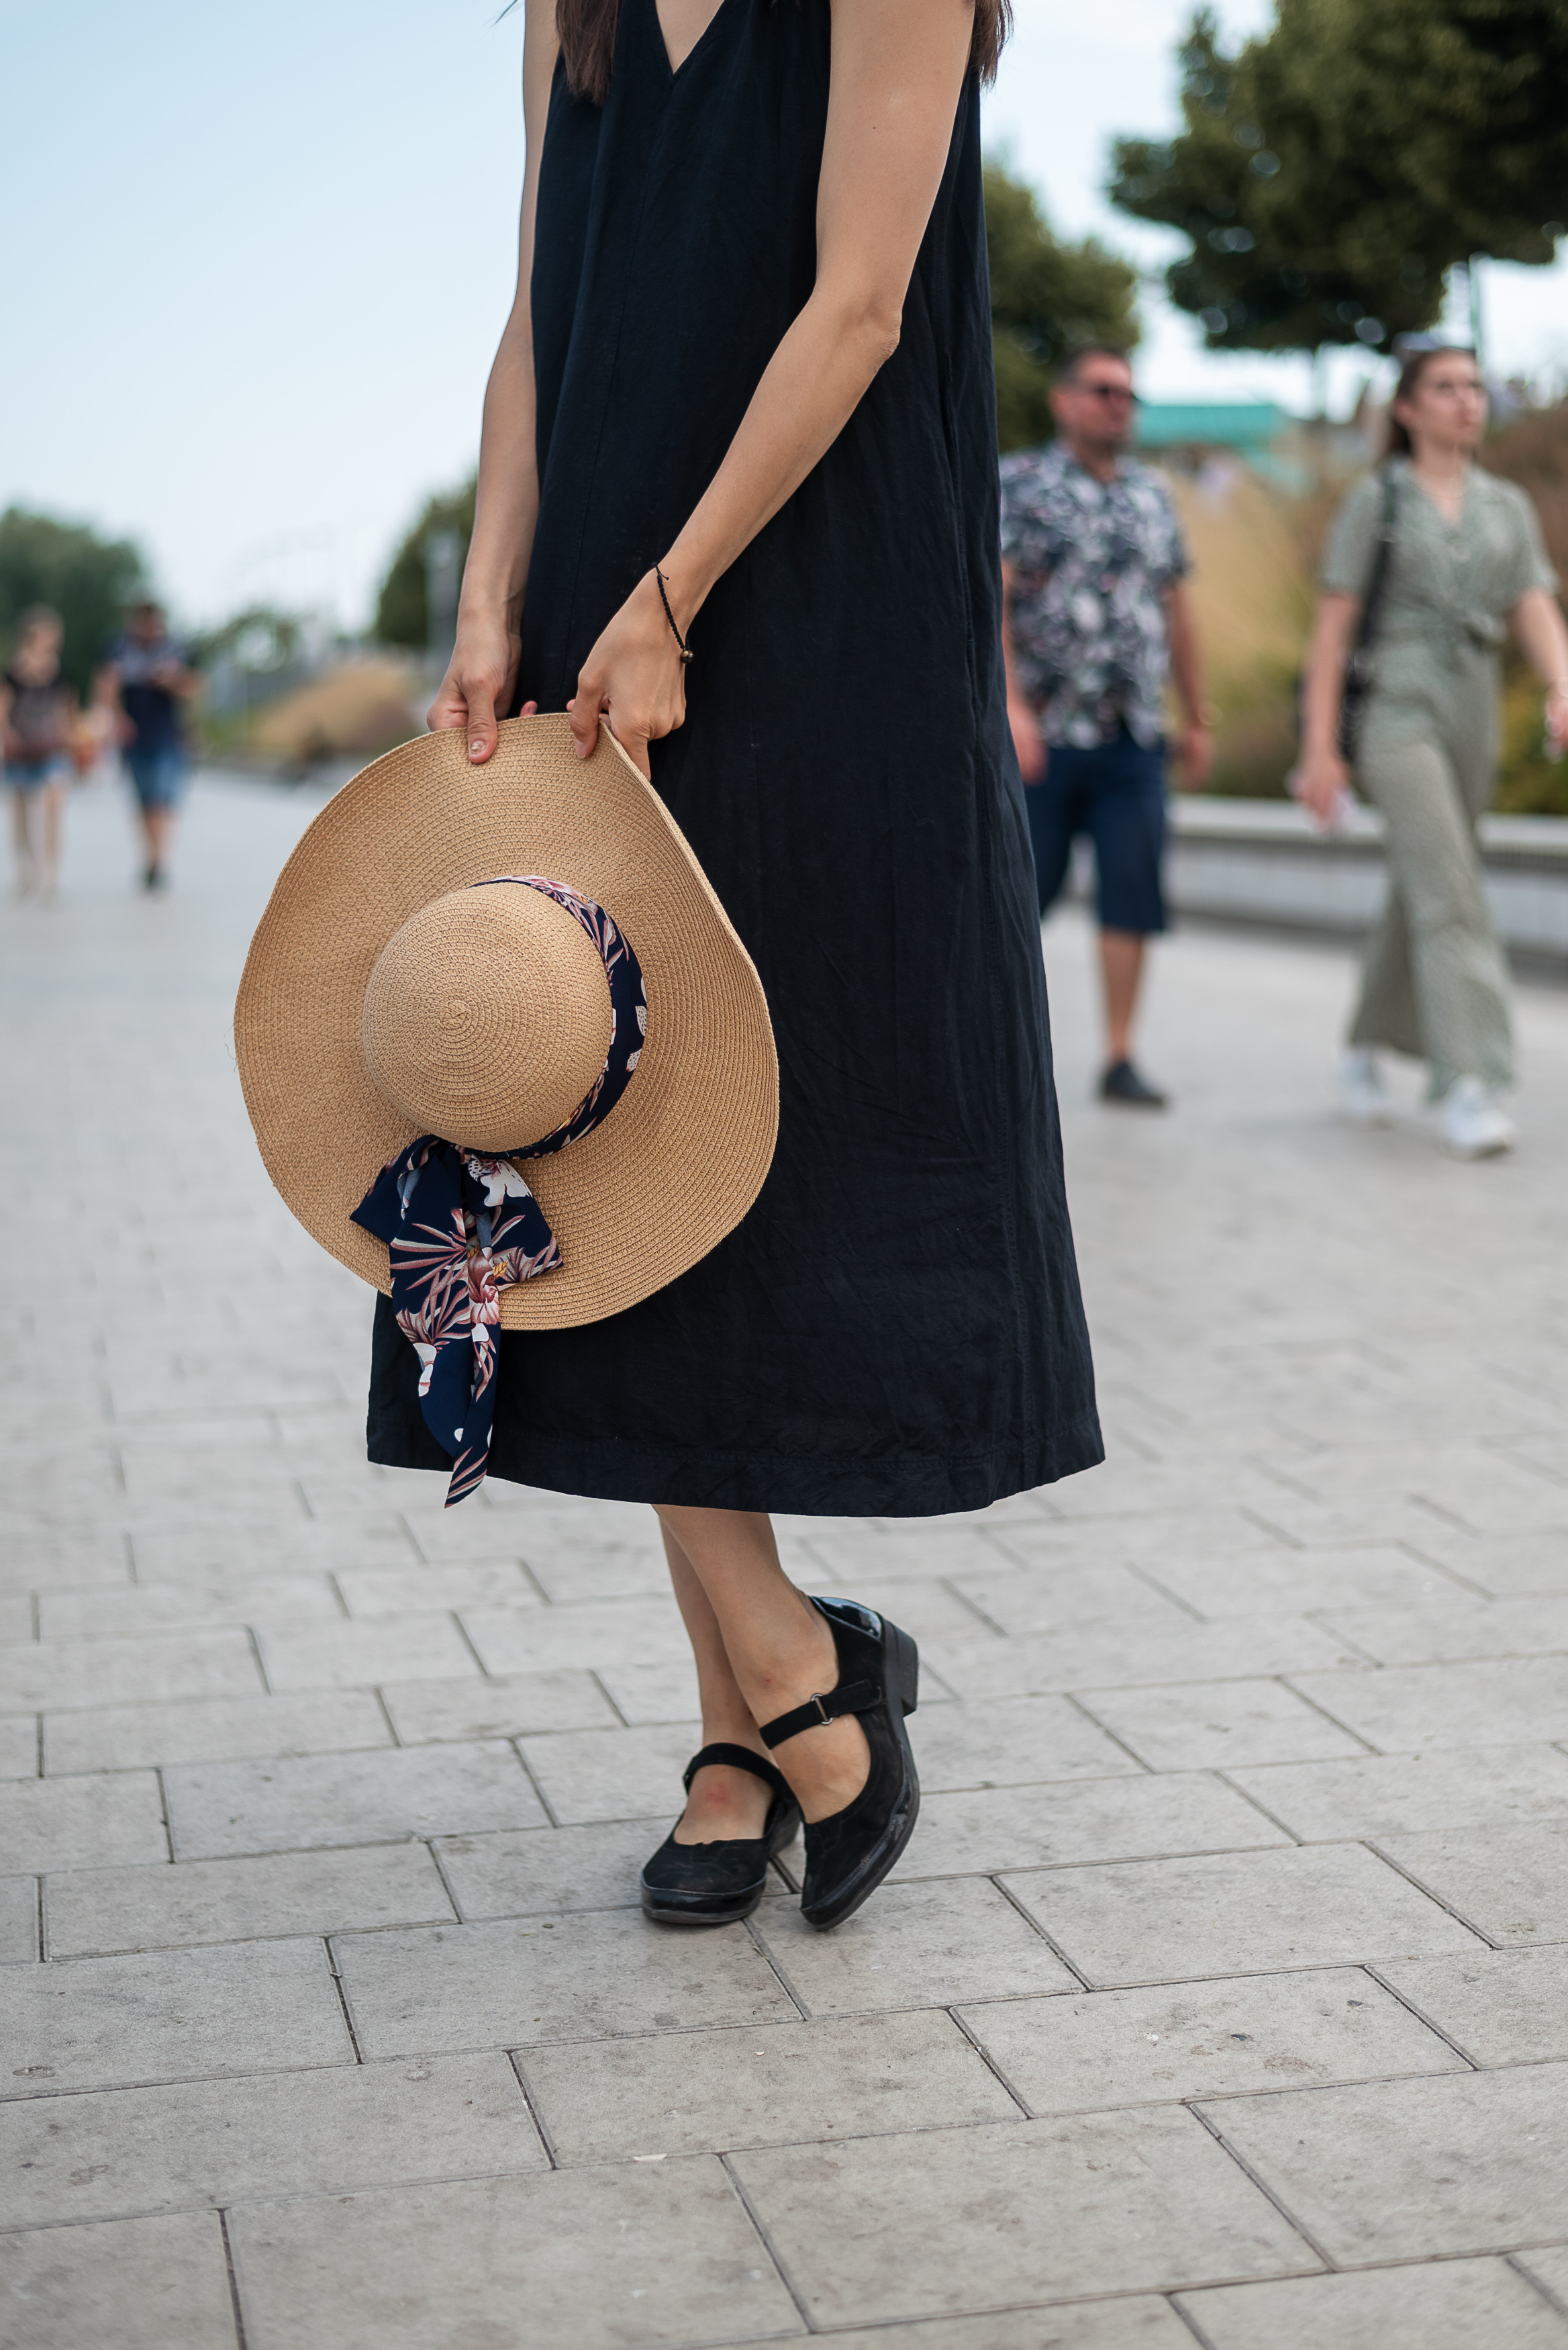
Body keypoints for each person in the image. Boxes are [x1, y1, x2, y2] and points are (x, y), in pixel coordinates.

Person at [367, 0, 1102, 1930]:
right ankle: (774, 1684)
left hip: (812, 589)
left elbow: (862, 302)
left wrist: (673, 592)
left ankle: (754, 1705)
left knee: (763, 1139)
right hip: (600, 606)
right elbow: (545, 312)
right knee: (607, 1135)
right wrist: (488, 597)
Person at [1297, 344, 1568, 1158]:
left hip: (1473, 701)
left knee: (1427, 876)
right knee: (1450, 885)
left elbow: (1532, 605)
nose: (1466, 401)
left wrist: (1560, 685)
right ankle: (1466, 1080)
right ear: (1407, 409)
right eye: (1445, 388)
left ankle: (1359, 1043)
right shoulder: (1374, 501)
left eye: (1475, 387)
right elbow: (1330, 635)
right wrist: (1318, 747)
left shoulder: (1504, 506)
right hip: (1395, 705)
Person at [999, 346, 1214, 1109]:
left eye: (1127, 393)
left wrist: (1195, 711)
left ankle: (1119, 1053)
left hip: (1131, 734)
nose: (1117, 404)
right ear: (1063, 401)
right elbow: (992, 599)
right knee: (1022, 891)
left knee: (1132, 887)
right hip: (1044, 737)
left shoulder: (1152, 496)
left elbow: (1174, 606)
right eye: (1101, 391)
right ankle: (997, 1045)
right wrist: (1010, 708)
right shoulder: (1020, 484)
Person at [97, 601, 199, 890]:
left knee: (162, 799)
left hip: (167, 735)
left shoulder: (174, 649)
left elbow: (194, 688)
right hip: (134, 736)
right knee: (144, 801)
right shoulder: (119, 649)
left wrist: (170, 680)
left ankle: (158, 860)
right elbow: (106, 684)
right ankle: (152, 856)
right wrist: (117, 718)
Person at [1, 606, 77, 903]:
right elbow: (3, 711)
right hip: (20, 751)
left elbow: (68, 711)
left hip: (52, 749)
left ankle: (50, 872)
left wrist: (74, 742)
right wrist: (8, 736)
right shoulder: (13, 672)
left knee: (53, 808)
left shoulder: (61, 672)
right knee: (20, 814)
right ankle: (26, 867)